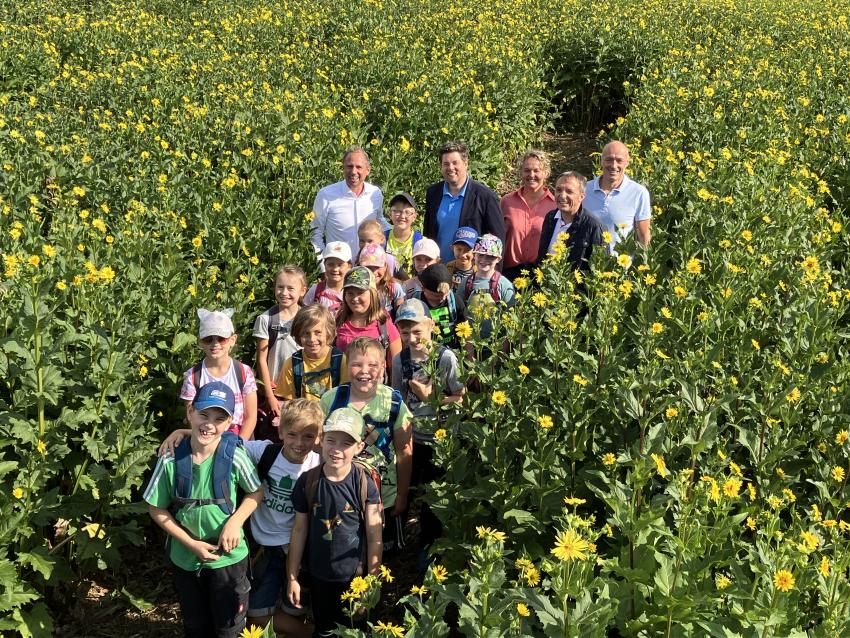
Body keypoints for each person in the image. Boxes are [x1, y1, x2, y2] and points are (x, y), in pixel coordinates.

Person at [156, 400, 324, 638]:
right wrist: (183, 431)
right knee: (255, 613)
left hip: (302, 548)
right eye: (292, 434)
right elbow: (222, 440)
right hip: (265, 547)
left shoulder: (320, 464)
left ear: (319, 437)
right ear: (280, 432)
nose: (299, 443)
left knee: (296, 604)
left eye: (308, 436)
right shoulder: (264, 451)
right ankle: (308, 633)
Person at [144, 382, 263, 638]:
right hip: (186, 558)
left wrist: (235, 522)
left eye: (220, 418)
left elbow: (256, 491)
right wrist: (190, 543)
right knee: (196, 625)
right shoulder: (170, 458)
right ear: (190, 412)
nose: (210, 424)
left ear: (230, 422)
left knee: (229, 628)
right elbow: (156, 509)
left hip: (229, 559)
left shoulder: (234, 457)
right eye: (204, 414)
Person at [287, 407, 383, 638]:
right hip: (319, 577)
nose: (336, 449)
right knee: (325, 630)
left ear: (359, 447)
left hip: (356, 579)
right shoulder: (308, 482)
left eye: (346, 443)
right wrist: (292, 577)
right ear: (321, 440)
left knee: (357, 630)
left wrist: (372, 580)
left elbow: (374, 535)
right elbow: (299, 530)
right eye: (331, 440)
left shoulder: (363, 482)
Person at [320, 337, 413, 553]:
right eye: (356, 364)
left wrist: (402, 495)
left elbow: (405, 451)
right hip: (341, 492)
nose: (365, 371)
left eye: (372, 365)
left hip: (385, 494)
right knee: (345, 545)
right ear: (346, 365)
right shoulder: (331, 400)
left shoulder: (394, 402)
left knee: (383, 550)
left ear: (382, 368)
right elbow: (318, 444)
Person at [390, 299, 464, 553]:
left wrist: (431, 398)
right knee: (404, 491)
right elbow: (397, 398)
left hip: (440, 439)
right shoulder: (401, 360)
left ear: (431, 325)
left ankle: (429, 548)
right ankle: (396, 542)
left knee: (433, 499)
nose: (412, 337)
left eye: (417, 331)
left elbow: (462, 398)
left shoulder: (446, 358)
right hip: (411, 439)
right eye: (405, 332)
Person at [180, 309, 258, 440]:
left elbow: (250, 416)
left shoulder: (243, 372)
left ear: (233, 340)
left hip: (239, 436)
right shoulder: (193, 376)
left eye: (222, 339)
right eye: (208, 339)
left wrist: (239, 445)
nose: (215, 344)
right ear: (200, 341)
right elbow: (192, 418)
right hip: (206, 435)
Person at [423, 141, 505, 262]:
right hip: (438, 269)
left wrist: (491, 277)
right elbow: (428, 233)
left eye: (455, 163)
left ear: (466, 163)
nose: (450, 168)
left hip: (470, 272)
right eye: (446, 164)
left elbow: (498, 241)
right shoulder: (433, 193)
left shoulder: (485, 197)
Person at [253, 265, 307, 439]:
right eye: (280, 287)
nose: (284, 292)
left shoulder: (308, 317)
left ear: (302, 291)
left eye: (291, 288)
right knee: (274, 437)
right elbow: (261, 358)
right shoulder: (266, 319)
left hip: (303, 391)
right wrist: (269, 395)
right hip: (276, 391)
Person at [310, 146, 388, 261]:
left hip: (368, 266)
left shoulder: (375, 194)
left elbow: (380, 222)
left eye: (359, 167)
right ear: (343, 168)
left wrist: (403, 231)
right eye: (349, 166)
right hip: (338, 269)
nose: (353, 171)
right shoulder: (326, 195)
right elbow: (315, 233)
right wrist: (323, 267)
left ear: (368, 170)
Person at [583, 141, 651, 251]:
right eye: (609, 159)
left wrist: (644, 264)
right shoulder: (584, 189)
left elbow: (644, 236)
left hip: (619, 265)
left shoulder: (639, 193)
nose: (614, 165)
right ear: (601, 161)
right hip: (586, 263)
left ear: (627, 162)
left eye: (619, 160)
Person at [500, 149, 556, 280]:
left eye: (537, 170)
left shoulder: (554, 205)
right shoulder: (507, 202)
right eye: (527, 170)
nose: (531, 174)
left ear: (545, 173)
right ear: (521, 172)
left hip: (540, 274)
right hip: (508, 273)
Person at [276, 305, 348, 402]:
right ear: (298, 334)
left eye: (318, 332)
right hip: (302, 415)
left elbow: (346, 398)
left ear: (328, 332)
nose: (312, 339)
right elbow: (289, 402)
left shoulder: (341, 361)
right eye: (306, 333)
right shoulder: (292, 364)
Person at [536, 171, 605, 272]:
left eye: (569, 191)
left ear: (581, 197)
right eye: (559, 190)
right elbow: (542, 257)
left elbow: (600, 269)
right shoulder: (550, 218)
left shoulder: (594, 227)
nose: (562, 196)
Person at [335, 266, 402, 370]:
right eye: (350, 293)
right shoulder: (339, 321)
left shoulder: (384, 324)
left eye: (360, 293)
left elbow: (396, 367)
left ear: (372, 294)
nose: (355, 298)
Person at [461, 235, 516, 340]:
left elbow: (511, 320)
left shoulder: (504, 285)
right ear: (474, 255)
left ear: (498, 259)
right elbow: (461, 316)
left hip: (496, 343)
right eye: (480, 255)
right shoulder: (466, 283)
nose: (484, 259)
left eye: (490, 256)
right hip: (471, 343)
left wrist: (501, 353)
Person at [411, 263, 468, 350]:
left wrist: (470, 359)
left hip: (453, 350)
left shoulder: (454, 300)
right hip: (428, 353)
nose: (443, 298)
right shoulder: (416, 303)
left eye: (446, 294)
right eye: (436, 296)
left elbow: (466, 331)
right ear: (423, 289)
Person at [302, 242, 352, 317]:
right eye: (330, 264)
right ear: (324, 265)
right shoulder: (316, 290)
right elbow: (304, 315)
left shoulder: (352, 291)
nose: (335, 269)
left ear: (349, 266)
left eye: (340, 265)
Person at [358, 243, 404, 318]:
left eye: (377, 267)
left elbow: (401, 316)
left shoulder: (393, 288)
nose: (373, 272)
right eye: (368, 268)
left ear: (385, 266)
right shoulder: (357, 288)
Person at [383, 192, 423, 278]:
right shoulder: (380, 239)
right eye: (397, 211)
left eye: (407, 212)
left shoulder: (422, 243)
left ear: (414, 217)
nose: (402, 216)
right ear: (390, 214)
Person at [445, 226, 477, 292]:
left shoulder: (478, 272)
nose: (463, 255)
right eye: (459, 249)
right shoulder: (446, 269)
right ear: (452, 248)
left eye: (467, 250)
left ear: (475, 251)